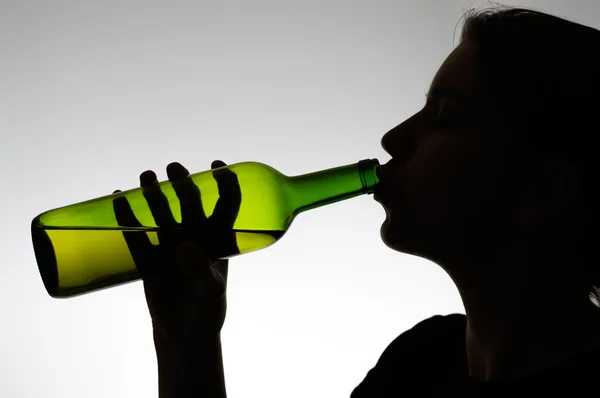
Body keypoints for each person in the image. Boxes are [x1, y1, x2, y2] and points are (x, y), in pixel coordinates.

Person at [127, 6, 600, 397]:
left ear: (542, 191)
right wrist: (186, 344)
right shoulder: (420, 362)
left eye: (445, 115)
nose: (393, 137)